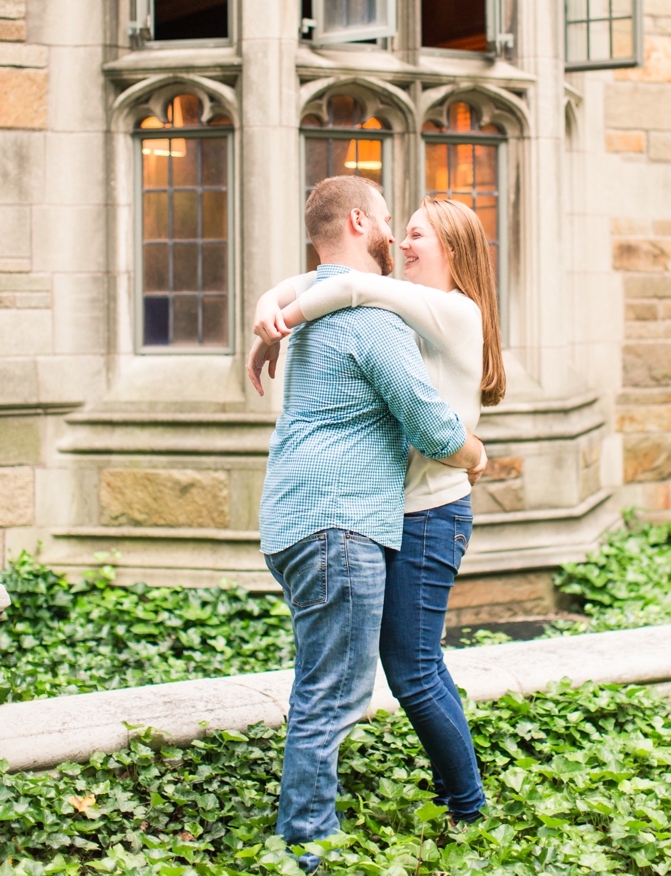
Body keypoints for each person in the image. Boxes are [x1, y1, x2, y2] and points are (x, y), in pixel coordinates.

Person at [250, 176, 487, 871]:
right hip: (345, 522)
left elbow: (342, 283)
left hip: (343, 517)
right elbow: (428, 420)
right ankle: (309, 847)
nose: (397, 235)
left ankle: (457, 801)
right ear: (361, 221)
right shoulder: (377, 315)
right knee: (342, 687)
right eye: (392, 223)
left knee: (388, 672)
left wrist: (278, 313)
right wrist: (476, 451)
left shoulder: (427, 309)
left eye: (414, 230)